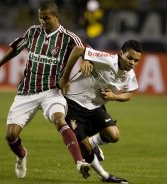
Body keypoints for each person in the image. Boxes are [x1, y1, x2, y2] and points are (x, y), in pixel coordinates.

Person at [0, 0, 90, 179]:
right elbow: (16, 48)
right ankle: (22, 155)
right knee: (11, 136)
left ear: (57, 17)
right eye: (40, 18)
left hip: (52, 91)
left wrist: (87, 59)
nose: (43, 22)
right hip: (27, 91)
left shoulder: (68, 37)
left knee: (59, 119)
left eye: (46, 18)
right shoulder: (33, 32)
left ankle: (80, 162)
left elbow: (85, 49)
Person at [59, 40, 143, 183]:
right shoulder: (107, 59)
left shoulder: (129, 75)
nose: (132, 63)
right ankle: (105, 176)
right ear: (121, 53)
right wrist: (65, 78)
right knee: (84, 148)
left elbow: (129, 94)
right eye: (130, 58)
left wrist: (114, 96)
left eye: (136, 60)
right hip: (74, 104)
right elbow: (78, 50)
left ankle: (93, 143)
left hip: (95, 107)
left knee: (114, 136)